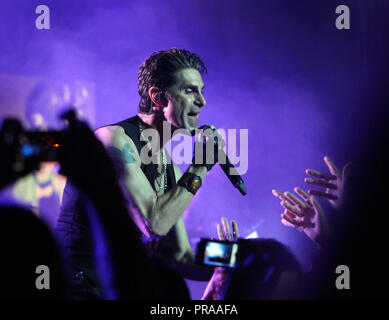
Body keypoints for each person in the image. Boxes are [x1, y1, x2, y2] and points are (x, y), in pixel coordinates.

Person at [55, 48, 222, 298]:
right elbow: (153, 224)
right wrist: (200, 167)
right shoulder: (115, 140)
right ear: (157, 97)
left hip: (114, 284)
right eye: (189, 90)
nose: (202, 101)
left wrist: (232, 260)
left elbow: (180, 254)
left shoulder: (169, 168)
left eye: (201, 91)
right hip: (77, 284)